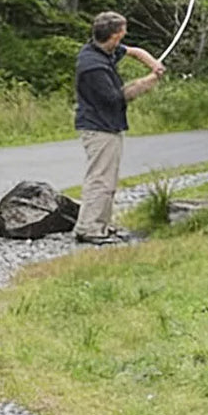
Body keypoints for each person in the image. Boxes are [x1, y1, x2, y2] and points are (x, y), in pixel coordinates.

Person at [73, 12, 165, 244]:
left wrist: (154, 64)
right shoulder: (93, 67)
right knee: (100, 179)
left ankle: (101, 224)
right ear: (113, 36)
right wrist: (148, 82)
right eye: (122, 33)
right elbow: (117, 98)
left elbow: (134, 51)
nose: (123, 38)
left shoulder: (102, 50)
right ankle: (89, 228)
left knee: (108, 177)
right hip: (99, 127)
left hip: (108, 125)